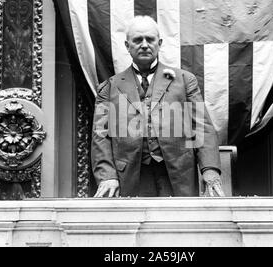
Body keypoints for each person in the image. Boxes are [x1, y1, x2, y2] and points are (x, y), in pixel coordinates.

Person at [91, 16, 224, 198]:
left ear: (159, 43)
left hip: (179, 175)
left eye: (150, 39)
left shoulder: (185, 81)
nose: (144, 45)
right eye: (138, 40)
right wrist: (107, 176)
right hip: (128, 177)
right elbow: (100, 136)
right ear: (127, 46)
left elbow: (201, 127)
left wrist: (209, 170)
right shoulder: (109, 87)